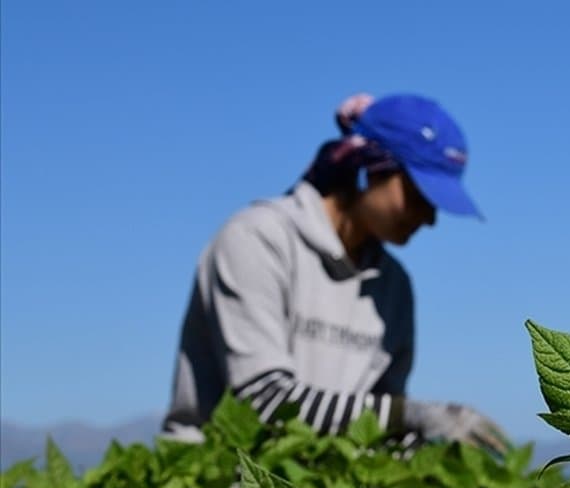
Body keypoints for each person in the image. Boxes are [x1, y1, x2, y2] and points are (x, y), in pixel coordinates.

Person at [160, 92, 509, 455]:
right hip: (213, 484)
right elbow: (263, 400)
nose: (429, 218)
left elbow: (376, 428)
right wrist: (414, 415)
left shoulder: (393, 287)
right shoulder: (257, 241)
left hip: (317, 483)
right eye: (418, 194)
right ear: (368, 167)